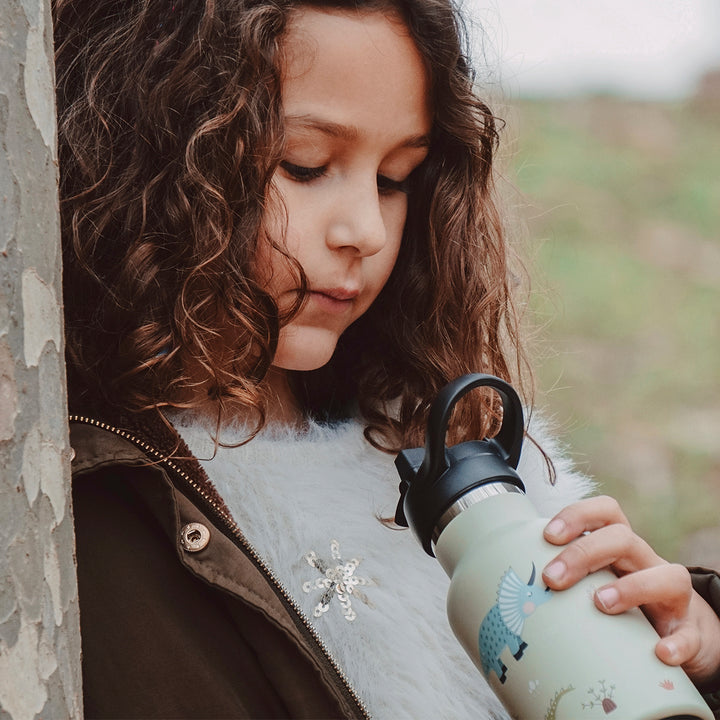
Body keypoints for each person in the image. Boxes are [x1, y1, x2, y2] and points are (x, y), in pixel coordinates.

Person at [53, 0, 720, 717]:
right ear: (150, 155)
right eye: (305, 166)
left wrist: (698, 649)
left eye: (396, 178)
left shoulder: (444, 431)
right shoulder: (76, 501)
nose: (366, 230)